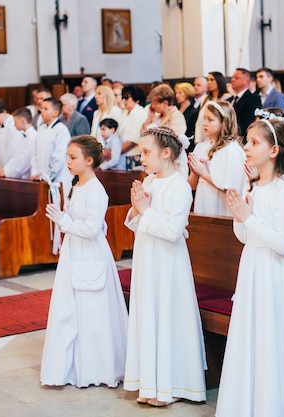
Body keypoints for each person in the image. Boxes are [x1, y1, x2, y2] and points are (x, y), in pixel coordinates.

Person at [216, 119, 284, 417]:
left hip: (275, 273)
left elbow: (283, 243)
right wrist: (241, 216)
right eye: (246, 141)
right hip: (252, 268)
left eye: (254, 142)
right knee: (251, 340)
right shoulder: (253, 186)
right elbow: (244, 237)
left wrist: (248, 217)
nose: (246, 148)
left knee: (273, 342)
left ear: (274, 149)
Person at [124, 127, 206, 407]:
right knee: (148, 315)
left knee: (166, 316)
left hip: (168, 263)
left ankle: (170, 386)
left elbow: (173, 230)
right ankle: (149, 383)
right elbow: (134, 220)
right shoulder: (149, 181)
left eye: (146, 152)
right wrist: (136, 209)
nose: (141, 158)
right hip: (147, 257)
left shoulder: (180, 186)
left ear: (167, 153)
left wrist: (145, 210)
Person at [41, 135, 128, 388]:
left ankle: (96, 368)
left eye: (73, 157)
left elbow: (92, 228)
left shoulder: (95, 189)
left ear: (89, 160)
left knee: (91, 309)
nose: (67, 161)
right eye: (67, 156)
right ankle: (72, 366)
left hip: (89, 252)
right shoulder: (78, 186)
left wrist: (64, 221)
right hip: (75, 250)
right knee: (71, 308)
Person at [188, 101, 246, 216]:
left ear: (224, 122)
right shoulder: (201, 146)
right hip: (202, 202)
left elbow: (231, 188)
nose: (204, 123)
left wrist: (204, 172)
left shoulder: (232, 149)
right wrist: (194, 171)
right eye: (204, 118)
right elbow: (192, 185)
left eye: (210, 120)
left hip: (221, 205)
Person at [31, 98, 72, 197]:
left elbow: (59, 157)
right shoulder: (41, 129)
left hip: (56, 178)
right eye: (41, 108)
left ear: (55, 112)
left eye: (45, 109)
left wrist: (45, 176)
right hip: (40, 176)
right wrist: (35, 172)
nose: (42, 111)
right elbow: (35, 154)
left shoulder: (61, 130)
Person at [0, 98, 31, 179]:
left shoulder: (14, 126)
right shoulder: (1, 126)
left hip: (12, 171)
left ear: (4, 112)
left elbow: (13, 152)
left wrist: (6, 171)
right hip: (4, 170)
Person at [228, 68, 262, 137]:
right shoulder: (229, 100)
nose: (232, 80)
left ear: (246, 81)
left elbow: (248, 123)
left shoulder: (253, 99)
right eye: (232, 77)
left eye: (236, 78)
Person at [118, 85, 148, 164]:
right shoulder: (124, 112)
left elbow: (133, 140)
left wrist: (114, 153)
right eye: (123, 98)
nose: (124, 101)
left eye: (127, 98)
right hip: (122, 154)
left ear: (136, 99)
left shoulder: (141, 113)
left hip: (134, 155)